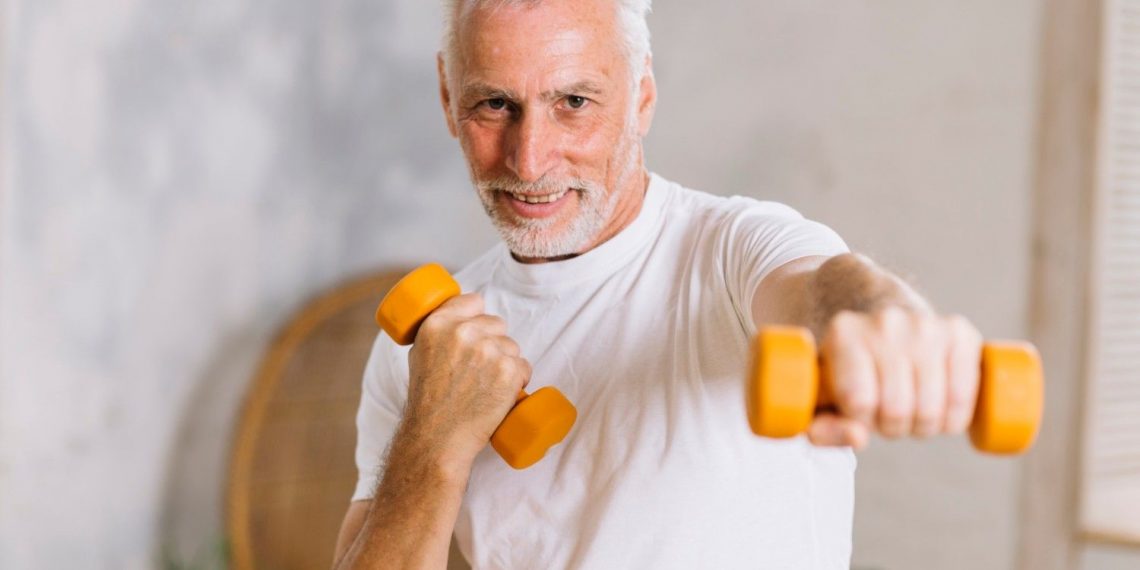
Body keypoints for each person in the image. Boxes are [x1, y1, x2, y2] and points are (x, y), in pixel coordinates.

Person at [332, 0, 984, 568]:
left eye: (574, 102)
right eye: (494, 104)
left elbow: (824, 286)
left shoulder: (731, 250)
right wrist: (435, 444)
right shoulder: (429, 348)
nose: (529, 160)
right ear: (449, 99)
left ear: (642, 95)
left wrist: (880, 322)